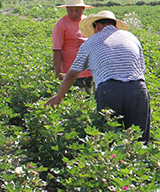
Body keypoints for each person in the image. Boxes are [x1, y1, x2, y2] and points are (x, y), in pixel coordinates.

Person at [46, 10, 151, 143]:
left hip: (110, 90)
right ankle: (140, 162)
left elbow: (72, 74)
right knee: (139, 139)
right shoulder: (132, 38)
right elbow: (142, 69)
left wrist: (59, 96)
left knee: (110, 139)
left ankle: (113, 162)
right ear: (115, 25)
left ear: (97, 26)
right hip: (137, 88)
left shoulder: (90, 42)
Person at [52, 0, 93, 89]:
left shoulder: (86, 22)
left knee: (88, 97)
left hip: (88, 69)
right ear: (66, 9)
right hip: (71, 71)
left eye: (77, 10)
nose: (74, 13)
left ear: (83, 8)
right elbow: (57, 49)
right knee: (75, 97)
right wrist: (58, 72)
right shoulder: (61, 25)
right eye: (71, 10)